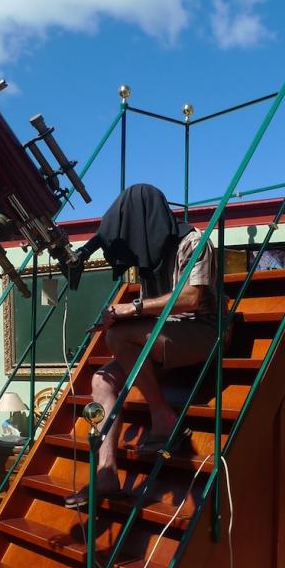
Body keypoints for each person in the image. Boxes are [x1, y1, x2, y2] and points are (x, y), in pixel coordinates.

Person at [65, 184, 222, 508]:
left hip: (204, 331)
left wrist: (132, 310)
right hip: (164, 335)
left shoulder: (195, 242)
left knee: (118, 336)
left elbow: (192, 297)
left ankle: (163, 417)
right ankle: (106, 476)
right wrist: (117, 318)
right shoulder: (150, 251)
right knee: (101, 381)